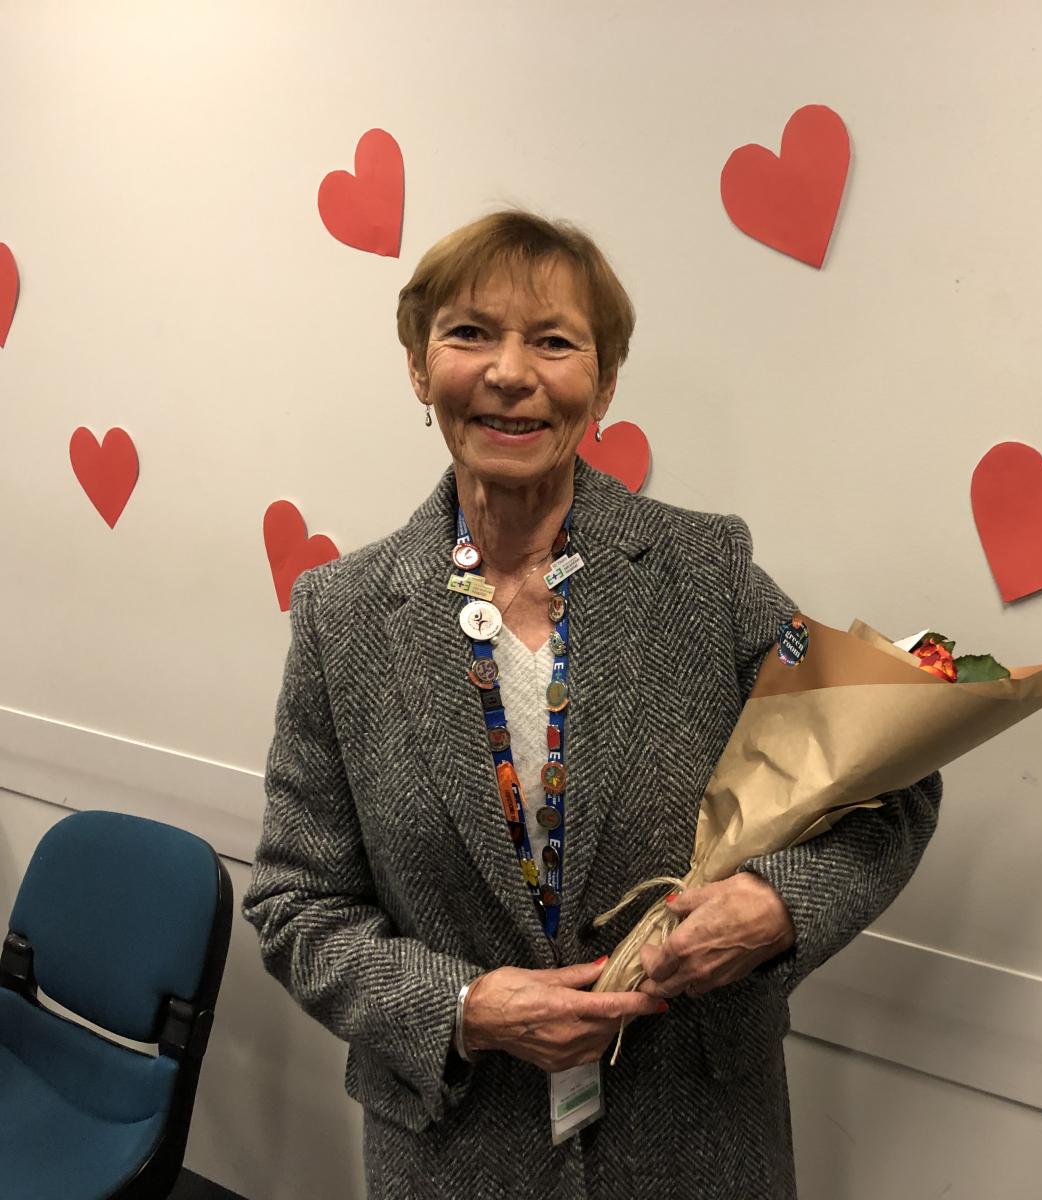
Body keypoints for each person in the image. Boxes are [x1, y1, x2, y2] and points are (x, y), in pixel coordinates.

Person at [242, 208, 942, 1199]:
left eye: (554, 341)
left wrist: (778, 904)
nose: (510, 372)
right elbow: (294, 905)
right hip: (457, 1151)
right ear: (417, 365)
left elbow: (891, 778)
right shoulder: (342, 615)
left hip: (693, 1141)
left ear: (602, 382)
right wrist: (463, 1005)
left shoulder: (708, 574)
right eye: (469, 332)